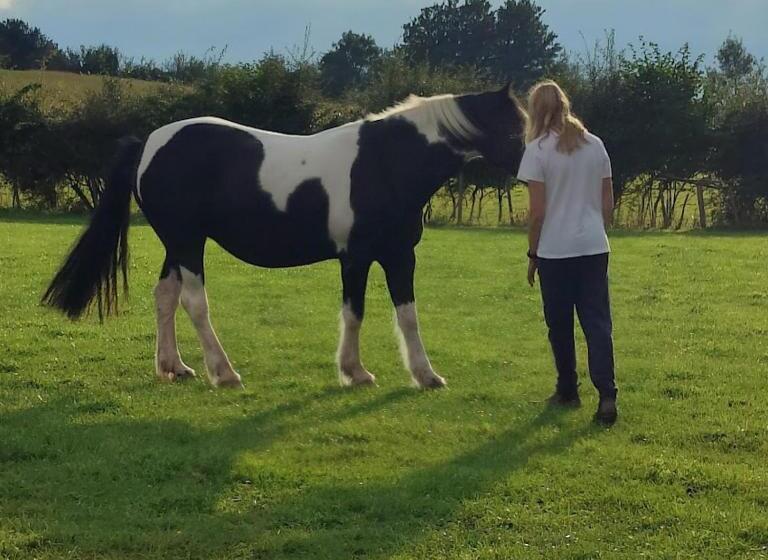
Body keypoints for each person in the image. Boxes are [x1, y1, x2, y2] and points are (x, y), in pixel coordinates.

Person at [516, 80, 618, 426]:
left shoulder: (538, 151)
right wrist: (596, 233)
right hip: (593, 247)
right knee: (598, 323)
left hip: (555, 252)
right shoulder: (596, 146)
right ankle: (606, 395)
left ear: (535, 111)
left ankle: (567, 389)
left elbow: (538, 213)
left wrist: (532, 254)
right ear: (564, 105)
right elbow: (608, 203)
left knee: (559, 324)